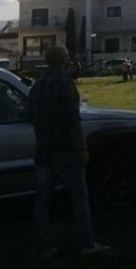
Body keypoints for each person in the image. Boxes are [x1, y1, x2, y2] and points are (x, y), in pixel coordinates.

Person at [28, 45, 109, 258]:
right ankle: (87, 244)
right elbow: (73, 121)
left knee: (43, 200)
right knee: (79, 198)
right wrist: (82, 148)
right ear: (65, 60)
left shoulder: (38, 86)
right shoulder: (66, 84)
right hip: (66, 150)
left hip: (44, 151)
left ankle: (46, 246)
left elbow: (31, 115)